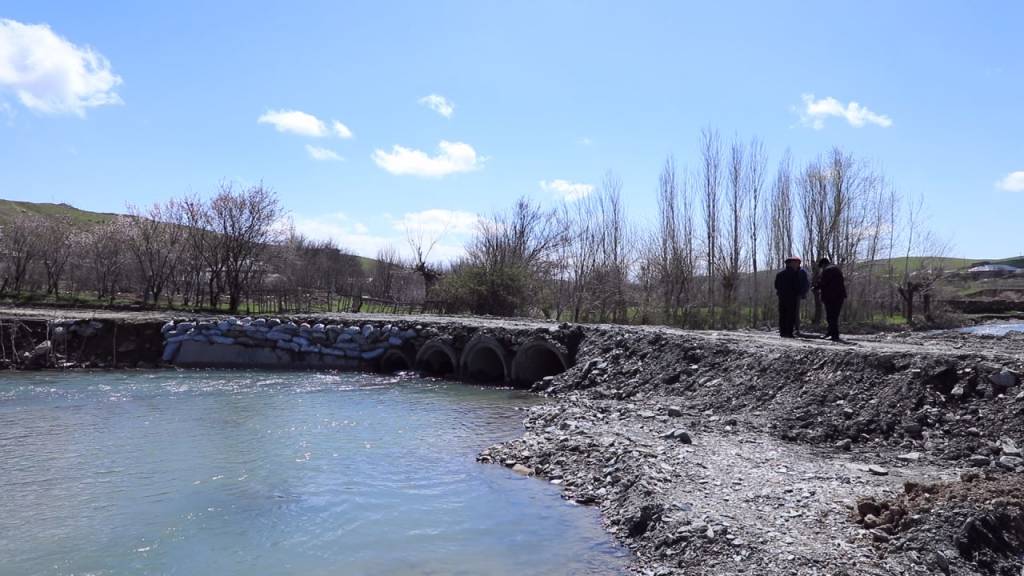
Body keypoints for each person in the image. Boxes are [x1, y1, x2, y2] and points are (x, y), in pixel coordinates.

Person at [814, 257, 847, 341]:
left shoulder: (827, 270)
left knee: (831, 316)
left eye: (821, 267)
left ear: (823, 264)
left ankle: (834, 335)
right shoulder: (836, 269)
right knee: (834, 316)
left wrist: (815, 287)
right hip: (840, 296)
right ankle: (830, 333)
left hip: (830, 297)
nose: (821, 269)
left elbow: (823, 282)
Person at [774, 256, 803, 338]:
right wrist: (799, 293)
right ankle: (789, 332)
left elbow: (776, 285)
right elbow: (797, 286)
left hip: (782, 297)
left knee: (782, 314)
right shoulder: (795, 274)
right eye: (794, 263)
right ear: (791, 263)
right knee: (791, 314)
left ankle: (782, 332)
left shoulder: (780, 274)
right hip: (792, 297)